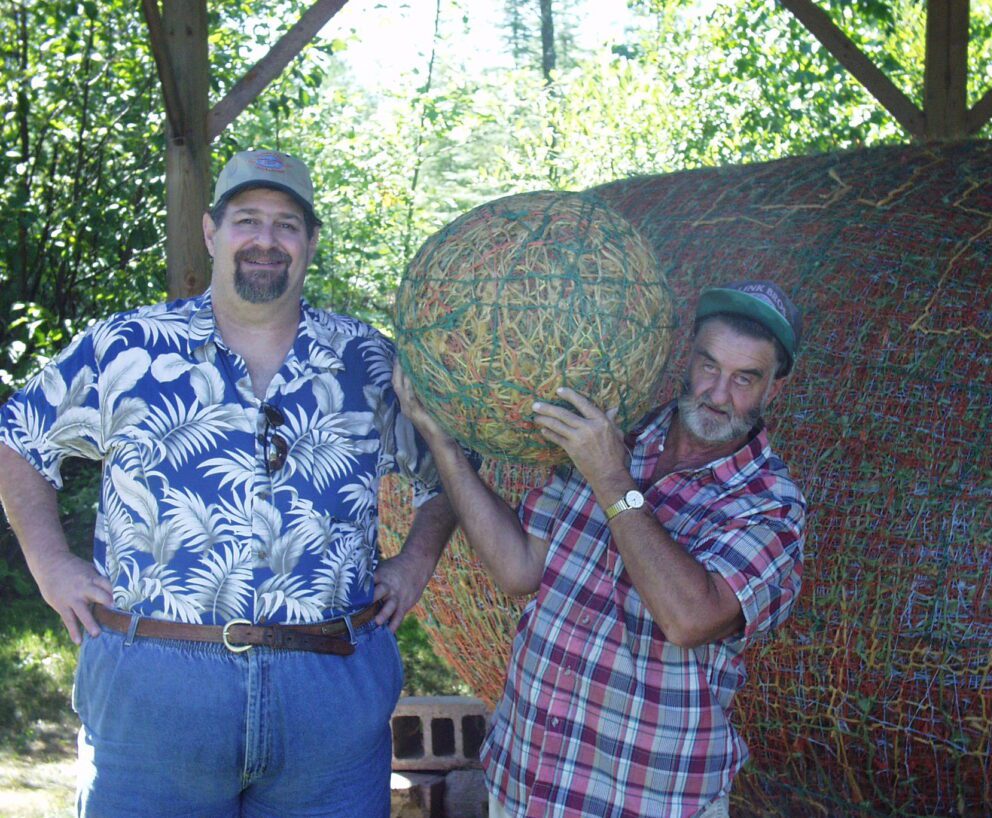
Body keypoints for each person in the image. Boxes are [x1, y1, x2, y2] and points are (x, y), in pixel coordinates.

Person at [0, 149, 457, 817]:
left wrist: (417, 560)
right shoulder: (129, 348)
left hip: (330, 689)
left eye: (287, 224)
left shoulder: (366, 358)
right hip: (156, 683)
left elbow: (448, 470)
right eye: (247, 220)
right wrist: (49, 563)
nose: (265, 241)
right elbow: (16, 438)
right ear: (213, 233)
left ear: (310, 243)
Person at [393, 280, 807, 818]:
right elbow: (520, 568)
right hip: (525, 781)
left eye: (744, 378)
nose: (718, 393)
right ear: (688, 356)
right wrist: (442, 443)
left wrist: (611, 476)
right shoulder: (614, 431)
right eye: (708, 366)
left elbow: (689, 617)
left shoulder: (770, 504)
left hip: (646, 801)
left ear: (773, 388)